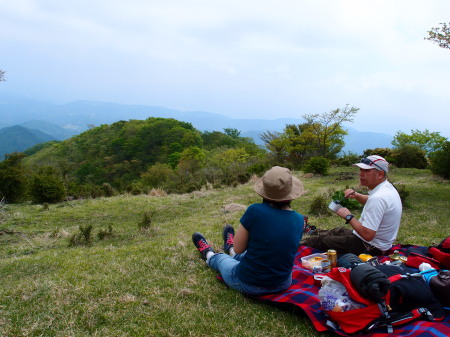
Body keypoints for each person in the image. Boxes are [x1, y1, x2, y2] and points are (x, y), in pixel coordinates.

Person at [192, 166, 305, 296]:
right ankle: (229, 249)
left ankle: (209, 253)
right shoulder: (299, 219)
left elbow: (239, 248)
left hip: (249, 283)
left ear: (264, 190)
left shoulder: (255, 211)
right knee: (255, 254)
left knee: (221, 259)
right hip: (283, 283)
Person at [301, 155, 402, 256]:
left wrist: (348, 216)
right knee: (338, 231)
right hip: (380, 243)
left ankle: (290, 246)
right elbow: (371, 201)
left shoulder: (379, 197)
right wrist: (357, 195)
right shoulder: (386, 189)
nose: (361, 174)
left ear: (380, 174)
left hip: (369, 246)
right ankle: (310, 231)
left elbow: (368, 235)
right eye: (361, 170)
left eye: (366, 171)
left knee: (319, 242)